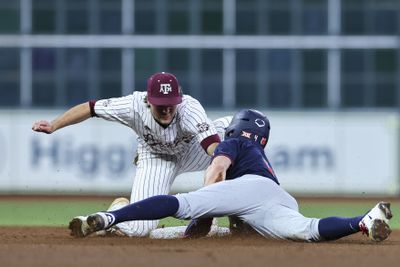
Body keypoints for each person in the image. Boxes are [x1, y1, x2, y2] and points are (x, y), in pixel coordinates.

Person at [68, 109, 393, 242]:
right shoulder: (260, 155)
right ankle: (362, 221)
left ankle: (109, 217)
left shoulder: (235, 142)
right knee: (307, 230)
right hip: (279, 197)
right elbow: (221, 226)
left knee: (179, 203)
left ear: (237, 128)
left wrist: (203, 200)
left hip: (248, 190)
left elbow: (219, 166)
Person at [32, 72, 231, 237]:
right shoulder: (133, 105)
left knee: (234, 137)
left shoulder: (189, 109)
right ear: (148, 100)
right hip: (156, 158)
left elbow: (211, 144)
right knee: (139, 229)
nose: (167, 109)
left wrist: (223, 159)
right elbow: (90, 108)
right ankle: (106, 218)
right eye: (160, 104)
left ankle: (241, 218)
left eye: (171, 102)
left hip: (191, 151)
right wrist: (54, 125)